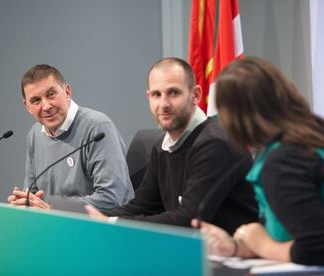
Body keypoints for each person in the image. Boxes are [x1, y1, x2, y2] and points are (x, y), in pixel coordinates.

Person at [193, 57, 324, 268]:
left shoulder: (284, 160)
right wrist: (236, 247)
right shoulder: (310, 140)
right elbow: (291, 236)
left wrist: (262, 243)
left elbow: (319, 249)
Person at [86, 57, 258, 232]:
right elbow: (141, 206)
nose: (164, 104)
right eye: (156, 95)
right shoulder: (162, 145)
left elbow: (188, 220)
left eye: (174, 93)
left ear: (195, 95)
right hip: (194, 249)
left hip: (235, 255)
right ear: (148, 97)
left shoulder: (215, 143)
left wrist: (111, 223)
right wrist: (90, 216)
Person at [7, 64, 134, 210]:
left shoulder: (98, 127)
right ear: (27, 106)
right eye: (36, 100)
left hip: (103, 227)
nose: (46, 106)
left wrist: (52, 209)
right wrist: (25, 203)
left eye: (51, 94)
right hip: (57, 226)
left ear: (67, 92)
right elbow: (34, 195)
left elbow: (111, 197)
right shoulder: (34, 134)